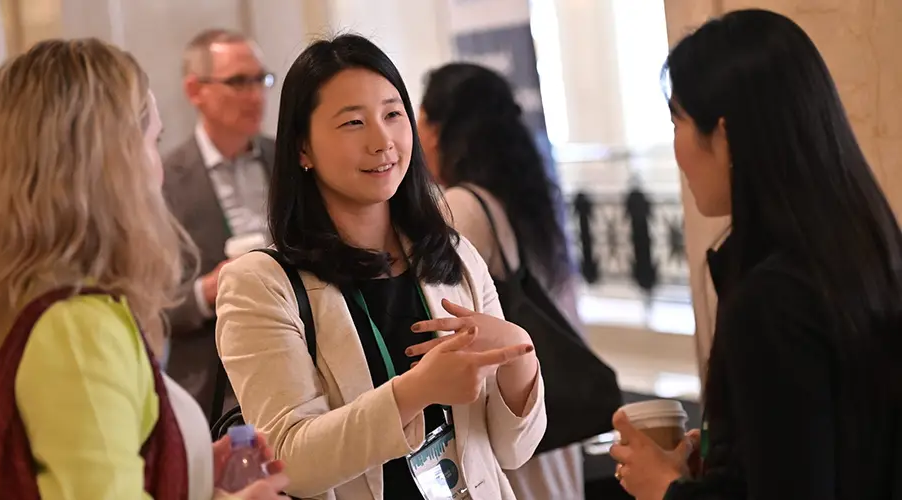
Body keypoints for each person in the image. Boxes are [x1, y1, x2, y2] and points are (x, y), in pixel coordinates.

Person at [0, 38, 290, 500]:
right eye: (151, 141)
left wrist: (192, 473)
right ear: (111, 164)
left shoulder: (49, 305)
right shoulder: (76, 330)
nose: (158, 168)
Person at [215, 34, 547, 500]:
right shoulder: (261, 284)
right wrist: (415, 391)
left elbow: (513, 452)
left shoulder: (450, 255)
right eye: (353, 122)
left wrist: (521, 357)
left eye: (393, 114)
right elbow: (289, 461)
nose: (383, 140)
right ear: (302, 149)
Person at [608, 9, 902, 500]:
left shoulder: (771, 299)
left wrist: (664, 488)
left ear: (722, 136)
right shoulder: (865, 244)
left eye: (677, 121)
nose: (676, 146)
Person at [419, 62, 584, 500]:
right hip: (543, 406)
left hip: (512, 415)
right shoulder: (522, 198)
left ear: (437, 131)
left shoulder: (461, 206)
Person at [162, 28, 280, 423]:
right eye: (238, 82)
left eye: (261, 79)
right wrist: (206, 291)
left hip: (296, 358)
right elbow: (146, 305)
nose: (256, 95)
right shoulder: (163, 181)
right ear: (195, 91)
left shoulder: (288, 160)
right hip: (213, 386)